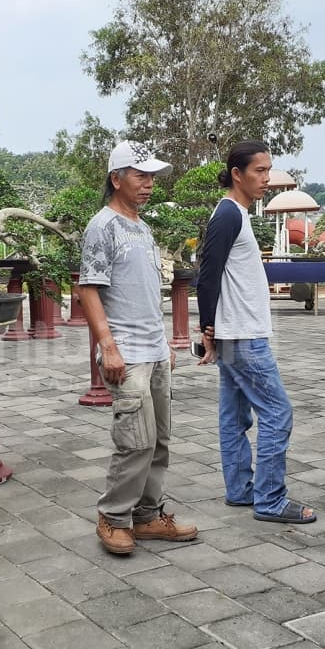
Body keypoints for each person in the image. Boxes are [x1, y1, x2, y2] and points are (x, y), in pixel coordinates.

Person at [78, 140, 199, 554]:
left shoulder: (143, 229)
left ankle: (147, 516)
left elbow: (143, 293)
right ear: (116, 179)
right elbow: (88, 290)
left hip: (154, 350)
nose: (149, 184)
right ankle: (113, 518)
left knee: (159, 439)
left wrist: (163, 342)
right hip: (126, 352)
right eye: (141, 175)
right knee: (136, 441)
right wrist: (108, 347)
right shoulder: (103, 226)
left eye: (152, 177)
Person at [196, 140, 317, 524]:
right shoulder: (228, 215)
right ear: (237, 174)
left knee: (235, 416)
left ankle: (240, 490)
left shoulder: (238, 214)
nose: (266, 178)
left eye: (268, 170)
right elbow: (206, 274)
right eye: (259, 171)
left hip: (237, 333)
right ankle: (270, 500)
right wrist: (207, 329)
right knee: (277, 412)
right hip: (242, 336)